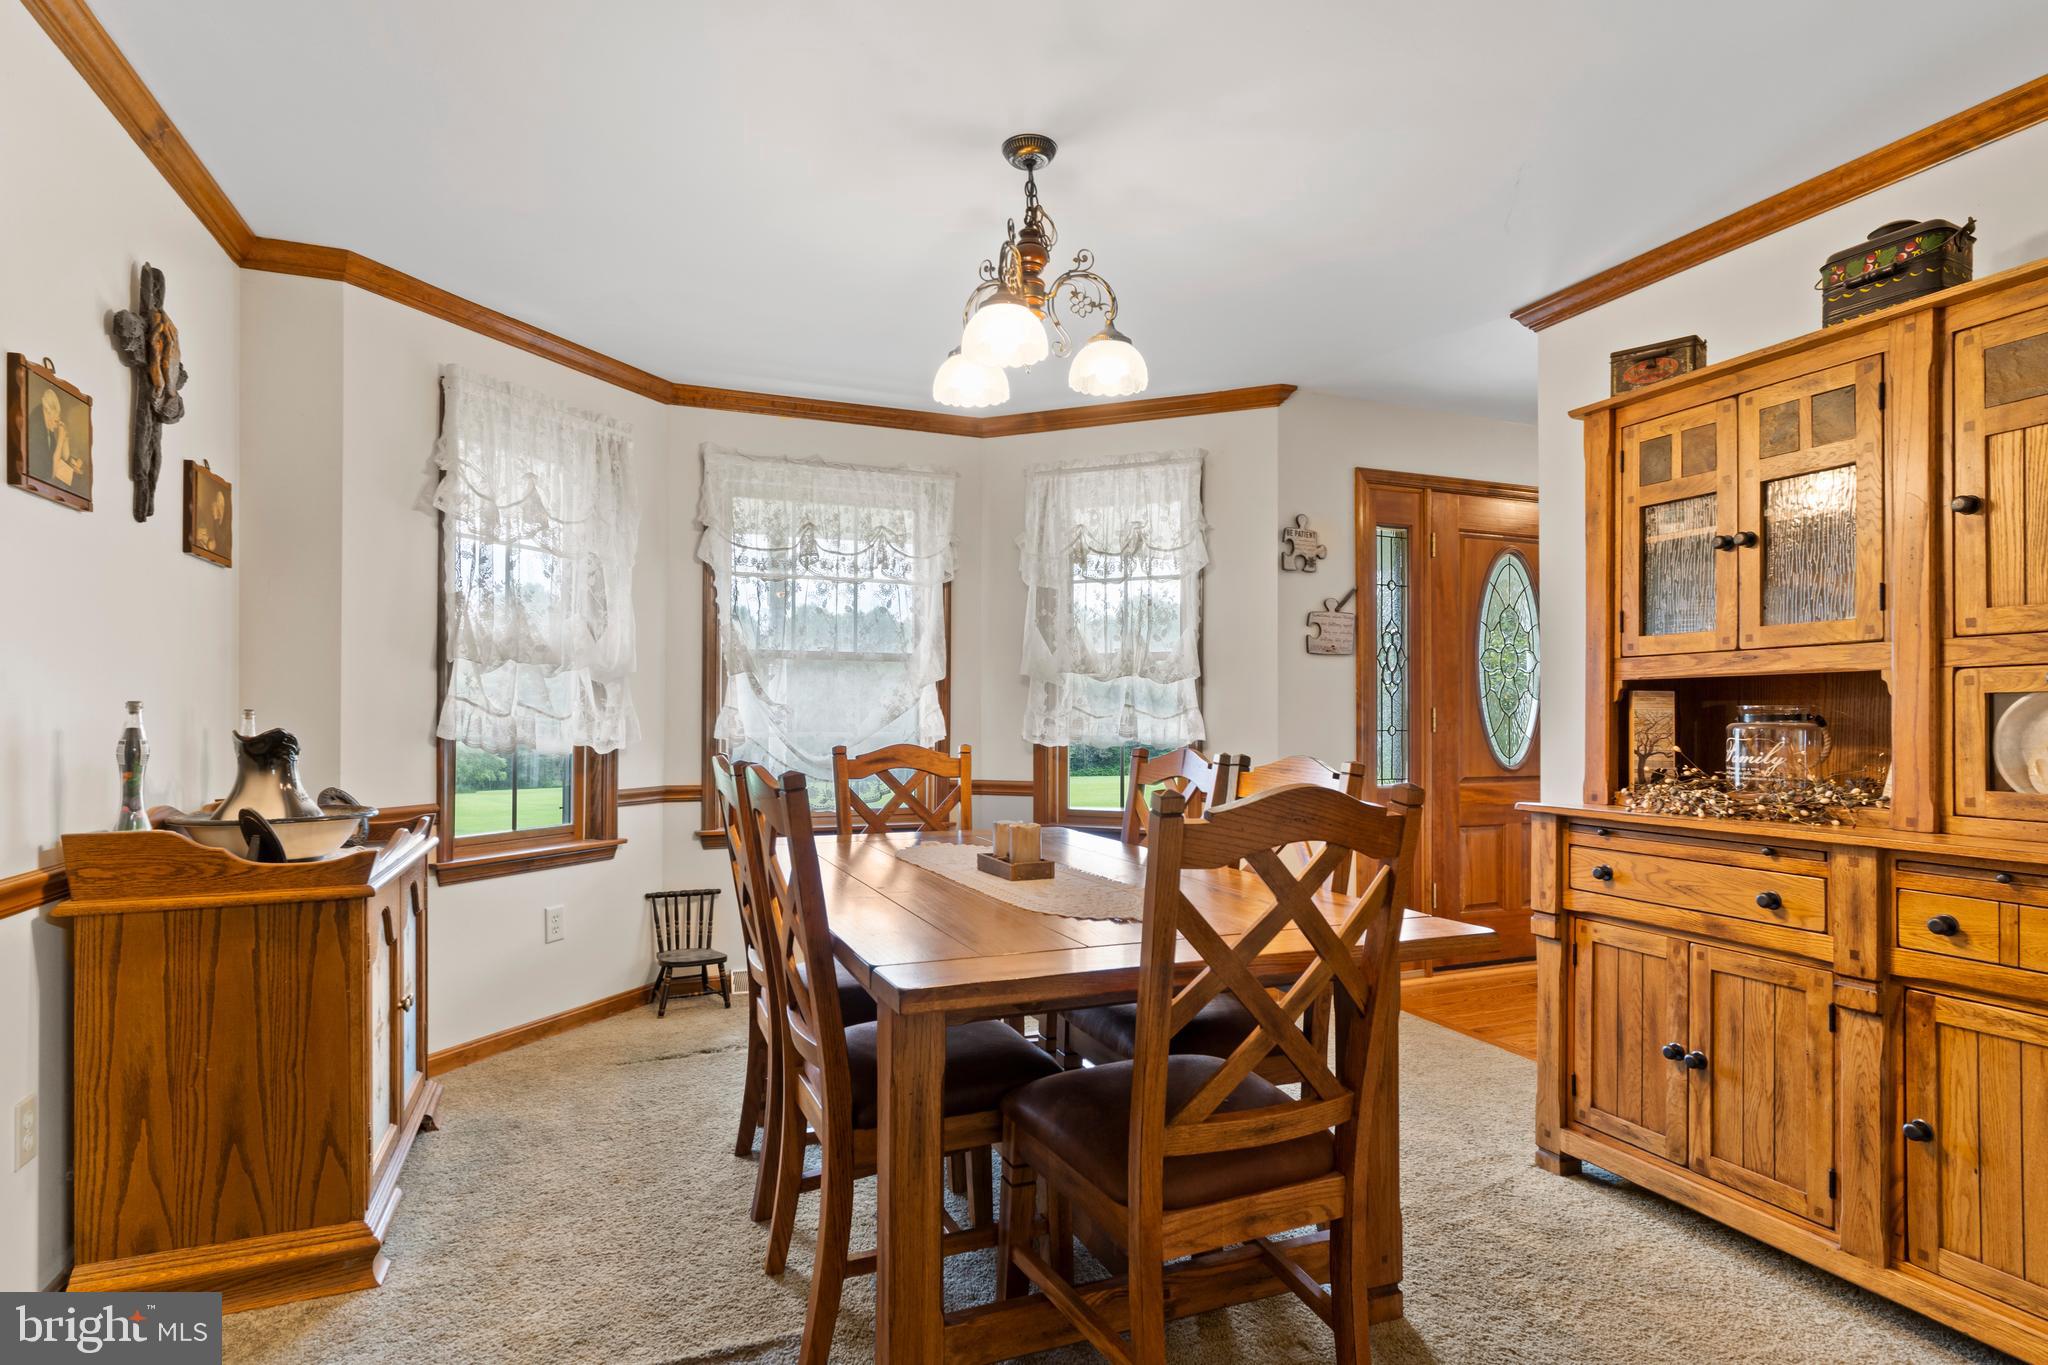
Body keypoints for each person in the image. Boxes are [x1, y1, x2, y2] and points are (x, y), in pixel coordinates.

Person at [30, 384, 85, 488]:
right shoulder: (37, 428)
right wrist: (60, 440)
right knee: (76, 485)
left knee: (79, 479)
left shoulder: (47, 425)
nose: (56, 424)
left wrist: (65, 439)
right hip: (42, 481)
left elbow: (61, 456)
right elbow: (51, 473)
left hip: (49, 476)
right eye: (55, 419)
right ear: (46, 411)